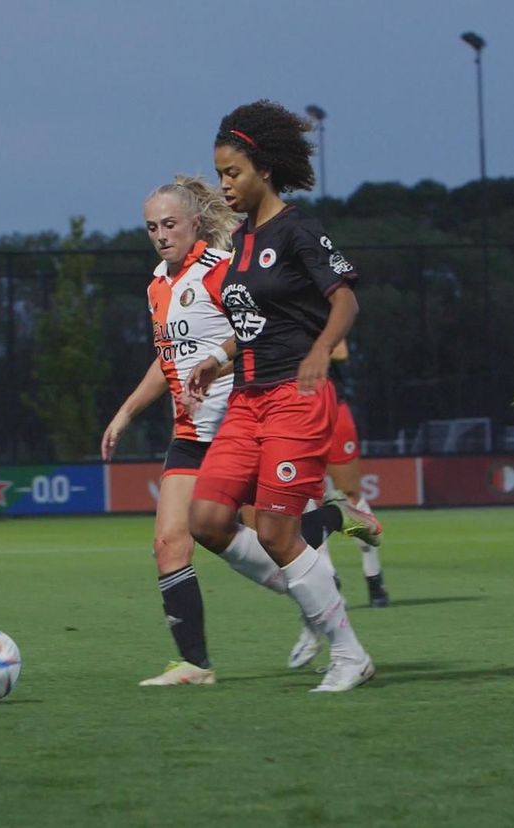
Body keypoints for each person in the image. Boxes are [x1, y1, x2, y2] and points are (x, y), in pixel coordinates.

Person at [101, 175, 360, 686]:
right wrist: (126, 412)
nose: (160, 234)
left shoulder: (222, 272)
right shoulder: (157, 285)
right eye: (151, 227)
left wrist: (223, 365)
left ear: (196, 222)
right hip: (189, 432)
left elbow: (260, 332)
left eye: (169, 224)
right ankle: (196, 664)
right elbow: (166, 359)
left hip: (238, 424)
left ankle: (327, 538)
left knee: (269, 536)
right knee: (169, 542)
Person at [186, 100, 382, 693]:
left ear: (264, 169)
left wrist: (322, 349)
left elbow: (344, 298)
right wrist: (217, 359)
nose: (224, 185)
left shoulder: (300, 229)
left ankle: (349, 653)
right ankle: (312, 588)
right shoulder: (241, 245)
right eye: (219, 173)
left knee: (274, 532)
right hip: (247, 397)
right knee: (208, 520)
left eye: (233, 173)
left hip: (296, 396)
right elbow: (251, 324)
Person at [326, 339, 389, 607]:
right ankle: (328, 581)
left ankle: (373, 577)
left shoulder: (323, 310)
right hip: (291, 415)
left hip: (332, 410)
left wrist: (296, 346)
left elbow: (340, 351)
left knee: (349, 496)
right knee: (303, 501)